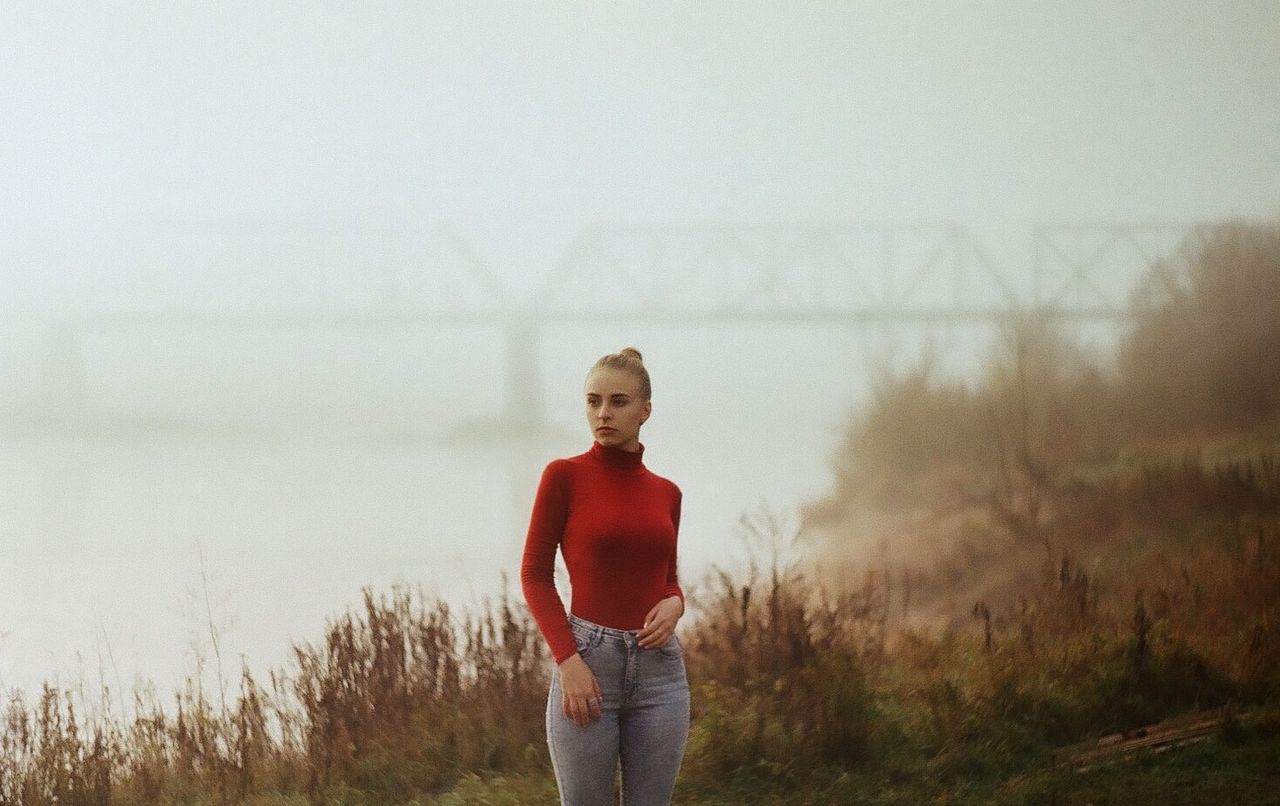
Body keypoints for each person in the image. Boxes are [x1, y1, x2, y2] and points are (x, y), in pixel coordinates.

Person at [520, 347, 690, 806]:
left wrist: (676, 602)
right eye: (593, 401)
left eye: (618, 401)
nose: (603, 413)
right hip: (588, 664)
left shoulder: (667, 493)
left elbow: (668, 576)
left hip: (661, 674)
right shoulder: (563, 476)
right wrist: (568, 661)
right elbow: (535, 576)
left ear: (645, 411)